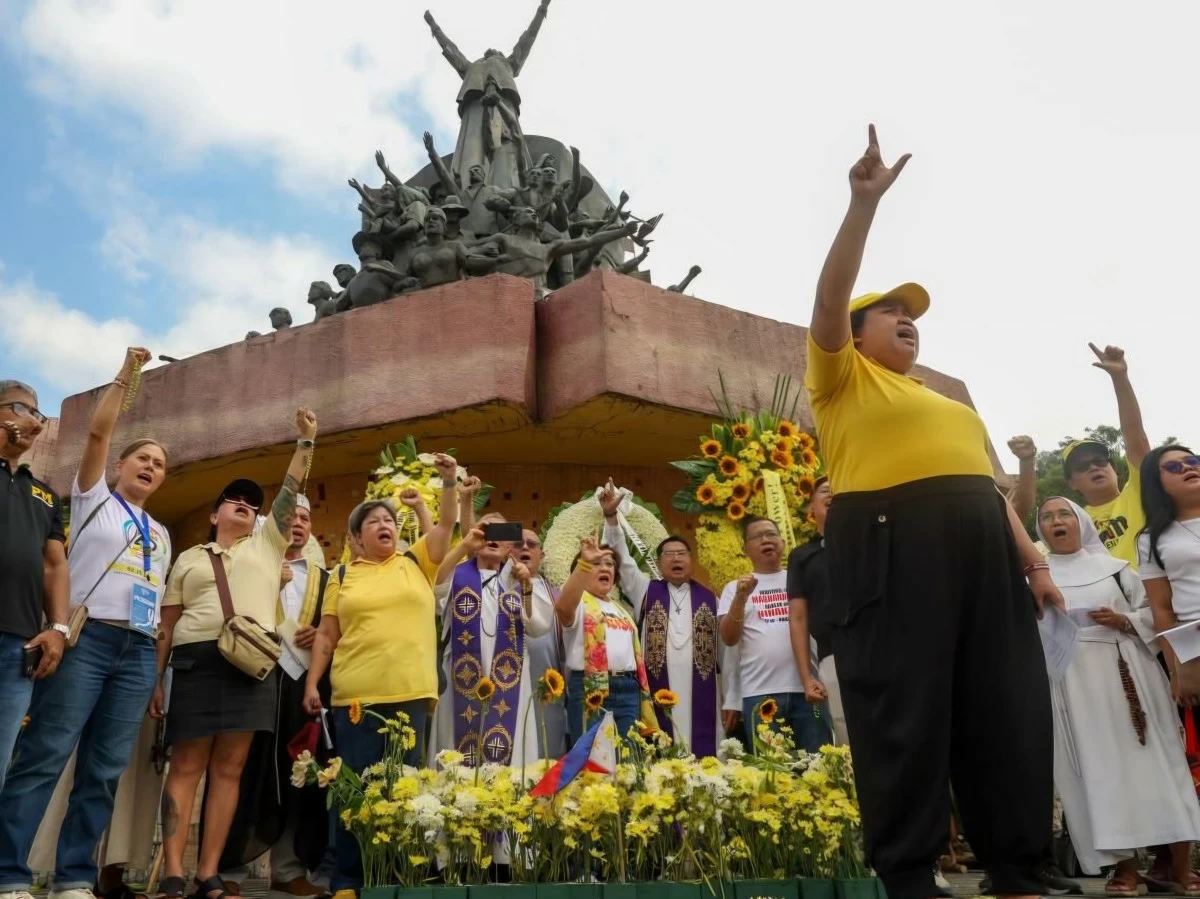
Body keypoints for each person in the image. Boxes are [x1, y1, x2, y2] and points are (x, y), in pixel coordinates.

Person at [804, 125, 1069, 899]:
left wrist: (1033, 561)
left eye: (912, 313)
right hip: (891, 541)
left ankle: (1015, 866)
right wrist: (862, 206)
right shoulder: (841, 380)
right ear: (856, 337)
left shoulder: (947, 402)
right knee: (905, 706)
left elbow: (988, 491)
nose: (906, 318)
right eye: (888, 312)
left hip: (983, 548)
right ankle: (911, 873)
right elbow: (828, 300)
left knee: (1005, 701)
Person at [0, 349, 171, 899]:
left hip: (137, 650)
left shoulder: (162, 533)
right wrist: (127, 377)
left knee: (104, 769)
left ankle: (74, 876)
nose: (150, 466)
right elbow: (98, 433)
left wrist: (155, 667)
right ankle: (8, 872)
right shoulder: (94, 498)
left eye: (159, 464)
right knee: (46, 754)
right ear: (118, 466)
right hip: (87, 640)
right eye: (141, 457)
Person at [155, 408, 318, 899]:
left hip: (251, 665)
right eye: (234, 500)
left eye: (251, 503)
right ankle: (172, 872)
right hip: (196, 663)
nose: (245, 504)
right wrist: (154, 683)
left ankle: (207, 872)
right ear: (214, 515)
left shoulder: (267, 544)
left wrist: (305, 442)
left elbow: (289, 492)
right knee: (187, 767)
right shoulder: (189, 558)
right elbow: (166, 625)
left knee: (229, 770)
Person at [304, 453, 458, 894]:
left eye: (388, 519)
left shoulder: (416, 562)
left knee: (405, 789)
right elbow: (327, 634)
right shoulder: (342, 574)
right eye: (373, 521)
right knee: (355, 790)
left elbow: (446, 527)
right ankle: (348, 880)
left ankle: (399, 878)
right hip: (356, 696)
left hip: (410, 693)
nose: (383, 524)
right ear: (355, 538)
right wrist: (313, 682)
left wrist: (448, 482)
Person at [1037, 496, 1200, 891]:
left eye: (1064, 514)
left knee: (1160, 763)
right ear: (1039, 529)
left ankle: (1178, 868)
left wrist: (1124, 621)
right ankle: (1125, 870)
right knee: (1100, 773)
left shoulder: (1116, 571)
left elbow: (1156, 613)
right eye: (1047, 516)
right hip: (1073, 686)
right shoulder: (1036, 579)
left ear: (1080, 523)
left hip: (1130, 677)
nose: (1056, 521)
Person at [214, 494, 333, 899]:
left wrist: (322, 635)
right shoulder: (248, 564)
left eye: (305, 518)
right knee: (244, 771)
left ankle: (288, 868)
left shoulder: (325, 578)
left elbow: (337, 628)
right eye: (289, 517)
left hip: (303, 684)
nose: (297, 524)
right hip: (253, 678)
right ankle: (226, 866)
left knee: (299, 772)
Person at [599, 483, 730, 757]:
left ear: (691, 561)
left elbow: (726, 656)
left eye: (682, 554)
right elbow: (622, 558)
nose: (676, 559)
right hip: (657, 692)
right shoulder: (646, 590)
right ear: (659, 563)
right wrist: (611, 518)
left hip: (704, 695)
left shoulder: (711, 600)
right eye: (669, 555)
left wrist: (731, 698)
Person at [431, 522, 554, 769]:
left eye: (500, 533)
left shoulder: (516, 580)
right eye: (486, 532)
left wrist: (527, 588)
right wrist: (463, 546)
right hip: (462, 679)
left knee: (508, 751)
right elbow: (435, 588)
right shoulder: (458, 574)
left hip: (508, 683)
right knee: (456, 749)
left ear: (509, 547)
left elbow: (538, 626)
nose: (492, 538)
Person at [0, 379, 69, 796]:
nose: (36, 423)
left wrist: (58, 629)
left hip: (17, 647)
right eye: (23, 410)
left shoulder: (45, 495)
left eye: (39, 414)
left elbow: (54, 565)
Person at [718, 516, 830, 752]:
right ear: (745, 548)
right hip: (759, 694)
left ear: (783, 542)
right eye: (758, 536)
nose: (766, 540)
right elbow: (729, 638)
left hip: (809, 689)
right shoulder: (733, 588)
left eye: (771, 534)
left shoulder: (802, 579)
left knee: (821, 765)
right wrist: (741, 597)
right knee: (770, 770)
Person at [554, 536, 656, 744]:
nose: (604, 568)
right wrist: (584, 562)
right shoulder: (579, 602)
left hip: (628, 688)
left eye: (609, 564)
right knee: (592, 756)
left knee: (629, 756)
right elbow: (562, 608)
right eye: (596, 563)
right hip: (590, 687)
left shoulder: (622, 610)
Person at [787, 476, 847, 746]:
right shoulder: (802, 556)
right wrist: (807, 677)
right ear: (811, 506)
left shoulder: (868, 545)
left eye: (837, 490)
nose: (832, 494)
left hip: (878, 651)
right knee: (844, 732)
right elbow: (798, 618)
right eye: (825, 490)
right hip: (831, 654)